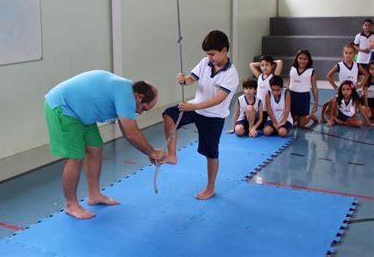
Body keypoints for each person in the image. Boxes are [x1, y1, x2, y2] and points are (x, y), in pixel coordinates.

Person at [44, 70, 164, 219]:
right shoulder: (125, 93)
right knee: (75, 158)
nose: (140, 113)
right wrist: (152, 152)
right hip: (63, 108)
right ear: (139, 97)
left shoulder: (126, 90)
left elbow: (126, 130)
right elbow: (131, 133)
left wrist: (149, 151)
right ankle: (71, 204)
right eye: (144, 108)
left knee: (95, 149)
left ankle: (94, 195)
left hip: (81, 113)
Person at [162, 30, 239, 200]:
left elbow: (218, 99)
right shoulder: (205, 62)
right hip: (195, 109)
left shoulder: (231, 74)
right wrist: (184, 80)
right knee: (169, 114)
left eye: (213, 54)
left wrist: (193, 106)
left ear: (224, 50)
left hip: (214, 116)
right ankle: (172, 154)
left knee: (211, 153)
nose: (210, 57)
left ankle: (210, 187)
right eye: (208, 54)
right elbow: (192, 78)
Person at [320, 42, 369, 123]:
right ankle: (327, 115)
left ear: (354, 54)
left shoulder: (357, 65)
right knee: (330, 103)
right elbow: (329, 76)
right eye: (346, 53)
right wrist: (336, 87)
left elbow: (366, 75)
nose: (348, 55)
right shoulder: (339, 65)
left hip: (353, 92)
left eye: (351, 53)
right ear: (343, 54)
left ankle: (337, 116)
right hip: (343, 92)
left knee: (353, 114)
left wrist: (360, 84)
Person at [249, 55, 283, 128]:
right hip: (259, 109)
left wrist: (272, 62)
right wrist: (263, 62)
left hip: (269, 110)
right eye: (262, 65)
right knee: (258, 126)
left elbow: (280, 62)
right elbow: (251, 65)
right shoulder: (259, 76)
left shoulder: (273, 78)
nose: (264, 67)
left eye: (267, 65)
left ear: (272, 66)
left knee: (267, 128)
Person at [287, 49, 318, 127]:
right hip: (291, 96)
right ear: (296, 59)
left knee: (301, 124)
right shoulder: (292, 69)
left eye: (305, 59)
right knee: (291, 123)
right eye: (300, 58)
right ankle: (295, 117)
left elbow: (314, 88)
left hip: (303, 97)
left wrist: (316, 103)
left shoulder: (311, 71)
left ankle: (310, 115)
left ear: (308, 60)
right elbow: (289, 84)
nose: (302, 61)